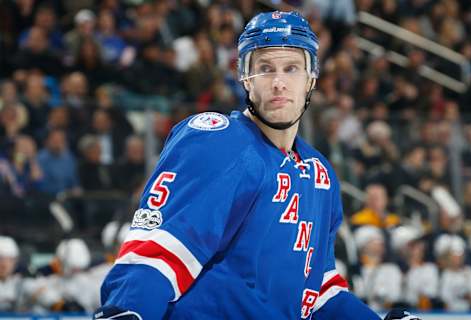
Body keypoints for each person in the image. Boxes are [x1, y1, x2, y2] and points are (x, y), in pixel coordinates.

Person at [96, 11, 418, 320]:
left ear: (311, 78)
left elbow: (317, 291)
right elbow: (158, 251)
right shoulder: (217, 142)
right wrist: (127, 310)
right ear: (245, 78)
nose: (278, 82)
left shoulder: (320, 175)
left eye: (291, 68)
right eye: (265, 68)